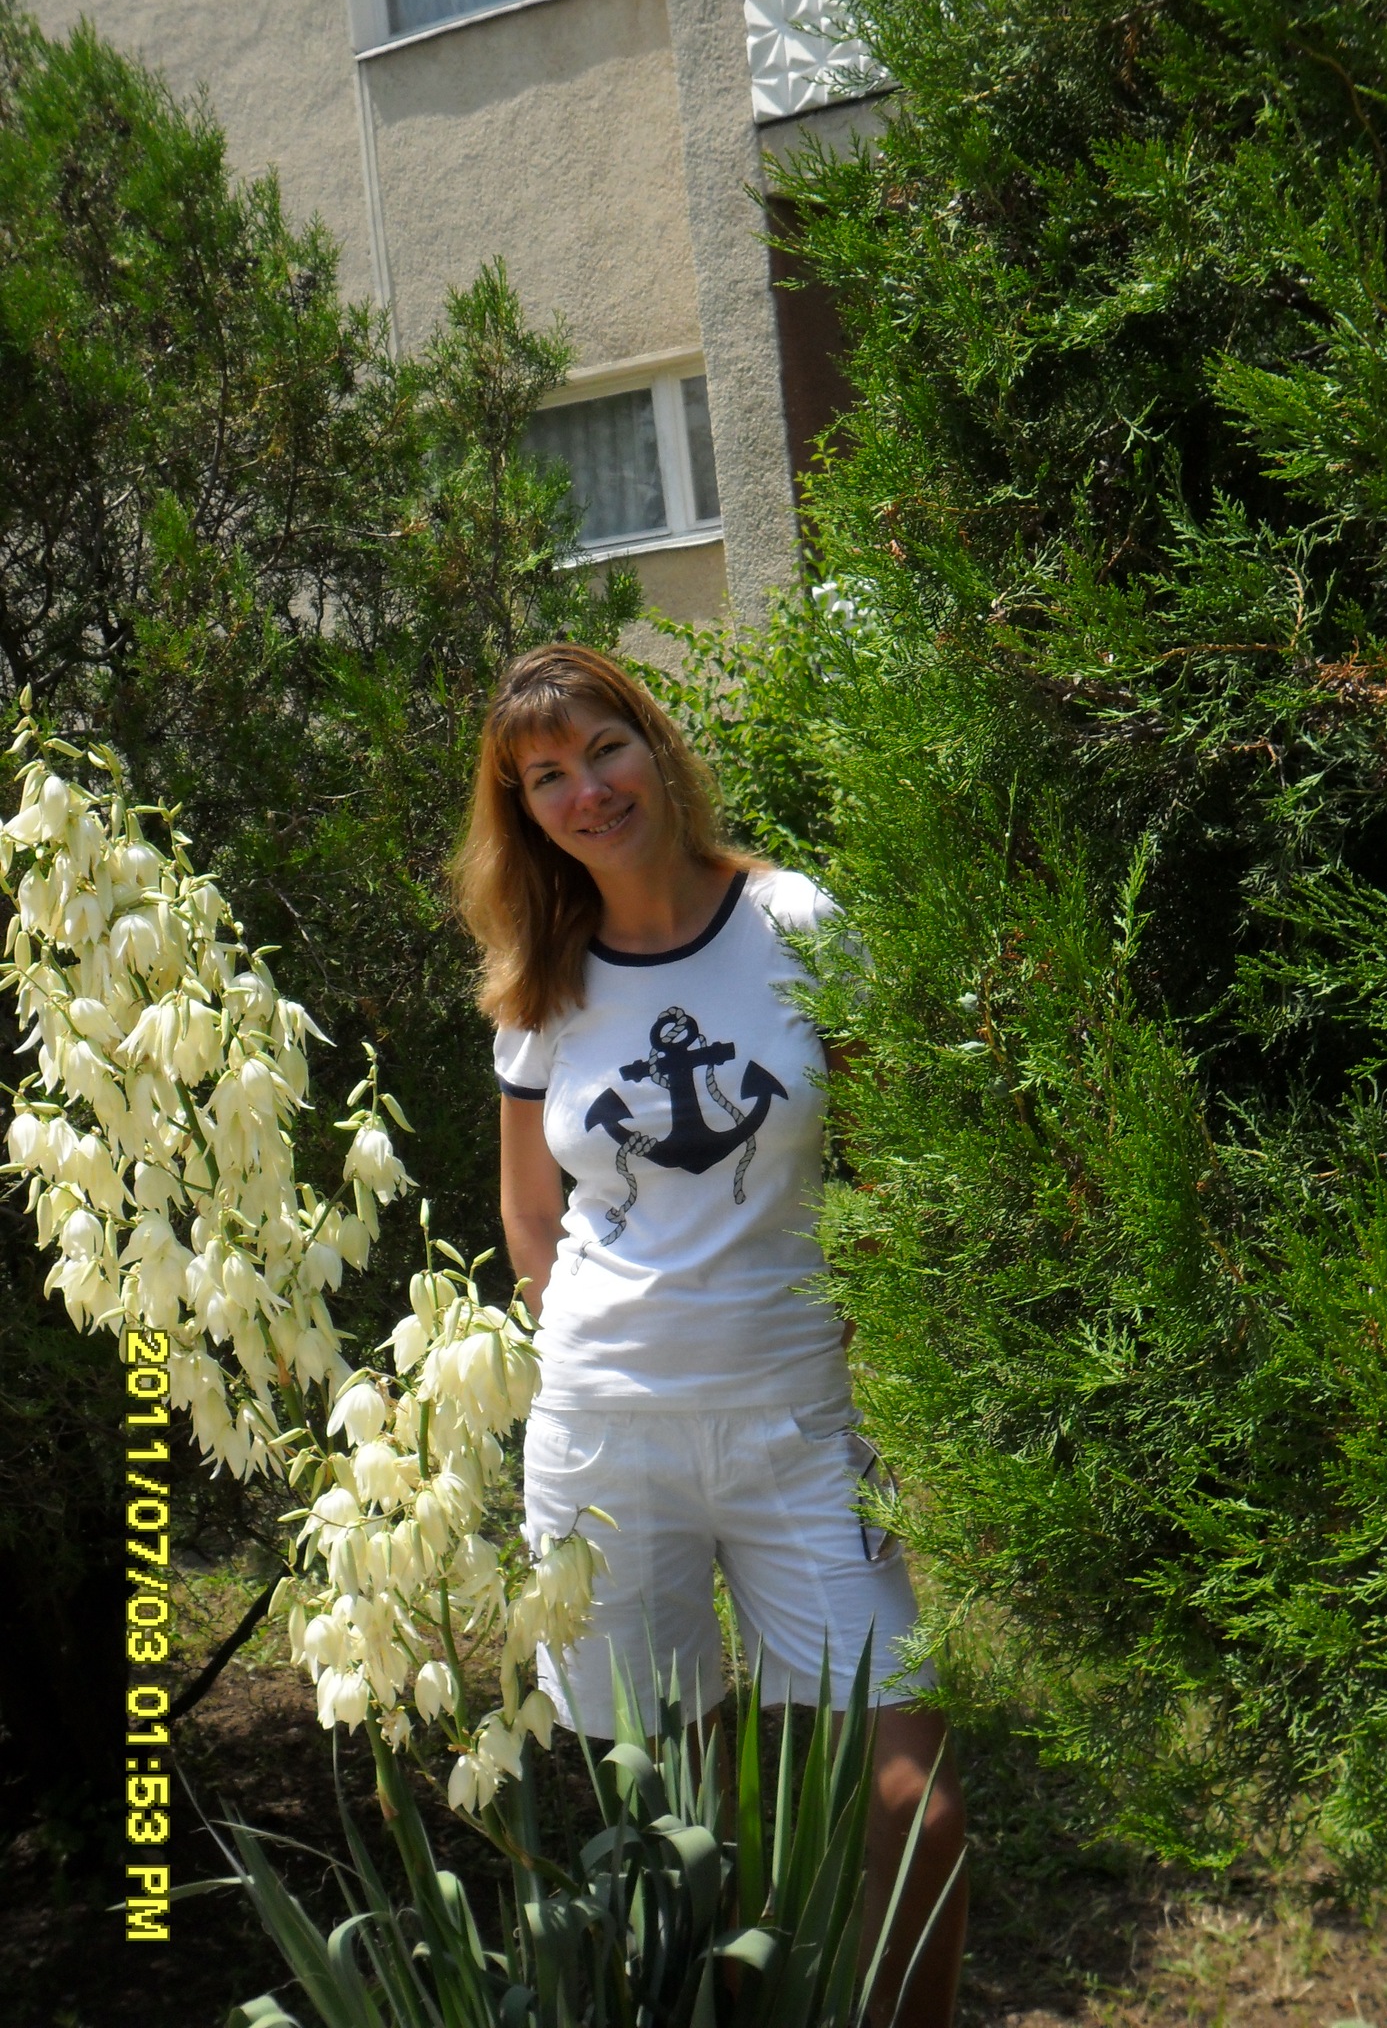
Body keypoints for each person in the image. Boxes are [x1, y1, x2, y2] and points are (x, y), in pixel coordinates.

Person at [454, 642, 967, 2026]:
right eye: (544, 778)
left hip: (799, 1425)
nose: (587, 791)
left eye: (602, 749)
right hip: (608, 1445)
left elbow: (892, 1150)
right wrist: (596, 1359)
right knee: (690, 1842)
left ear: (655, 744)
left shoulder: (795, 920)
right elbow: (531, 1220)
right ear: (523, 812)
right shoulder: (539, 975)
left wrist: (872, 1331)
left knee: (913, 1803)